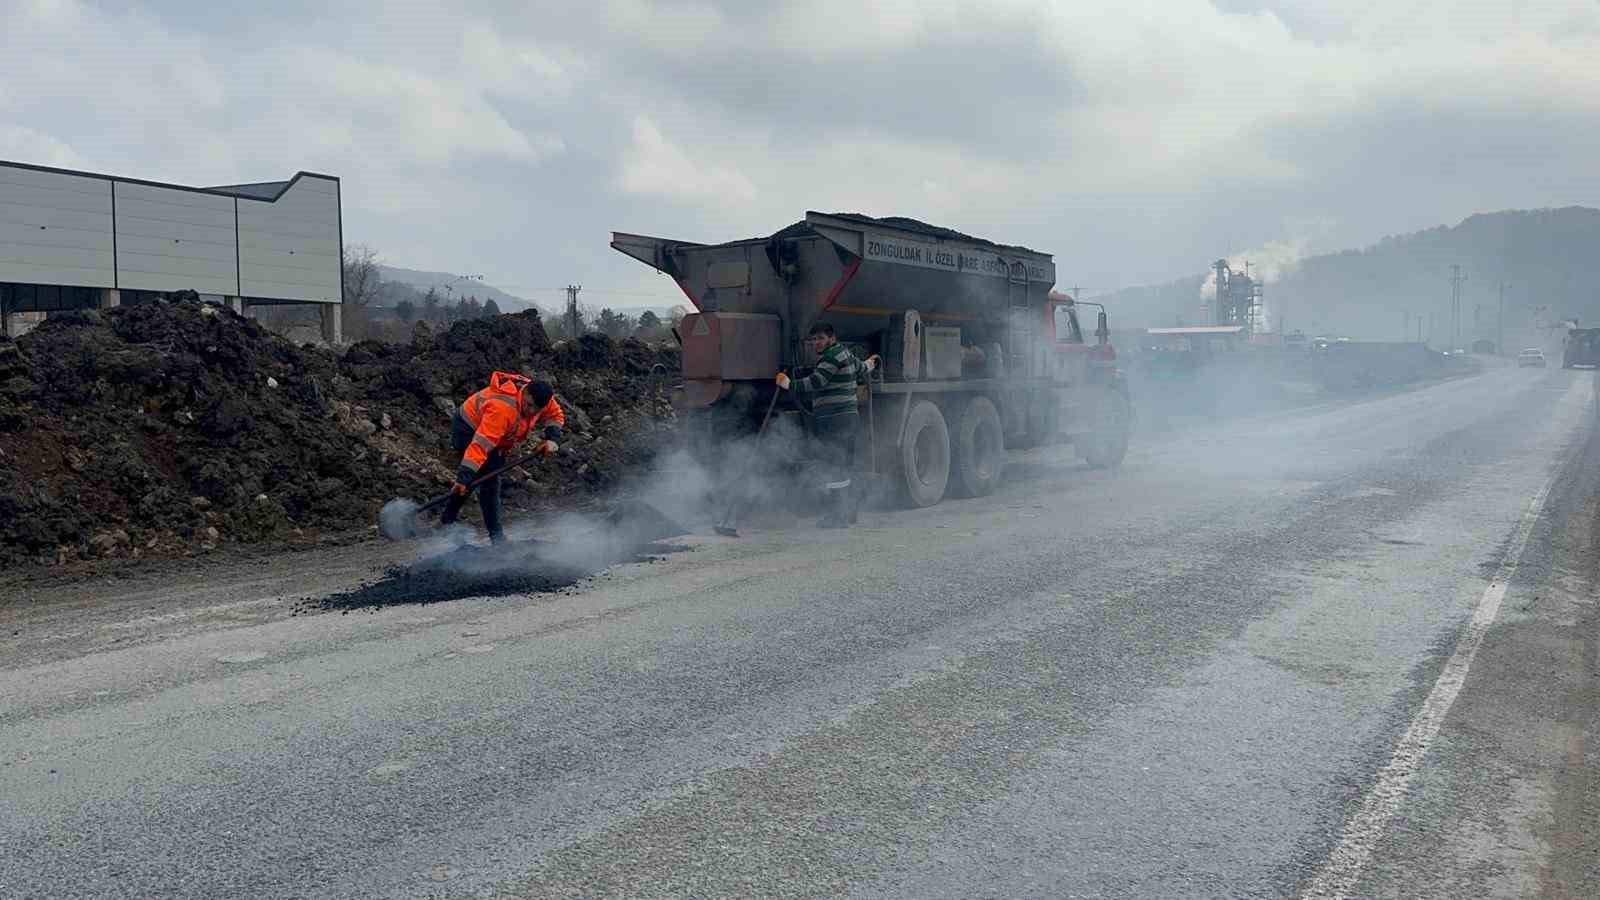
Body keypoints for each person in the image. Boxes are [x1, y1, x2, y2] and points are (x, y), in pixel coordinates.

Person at [441, 371, 564, 543]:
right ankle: (496, 538)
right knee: (488, 481)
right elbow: (481, 446)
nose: (531, 412)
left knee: (481, 478)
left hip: (497, 437)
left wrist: (552, 439)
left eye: (537, 409)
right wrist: (463, 477)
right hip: (468, 429)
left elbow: (555, 416)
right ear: (525, 392)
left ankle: (448, 519)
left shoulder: (542, 399)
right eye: (529, 405)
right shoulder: (502, 408)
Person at [776, 323, 879, 528]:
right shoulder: (846, 354)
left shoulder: (831, 357)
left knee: (834, 467)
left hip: (834, 420)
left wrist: (788, 384)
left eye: (820, 339)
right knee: (845, 466)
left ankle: (837, 517)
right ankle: (850, 513)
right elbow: (862, 368)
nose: (816, 343)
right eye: (813, 340)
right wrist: (872, 362)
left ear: (832, 338)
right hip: (849, 418)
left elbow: (815, 382)